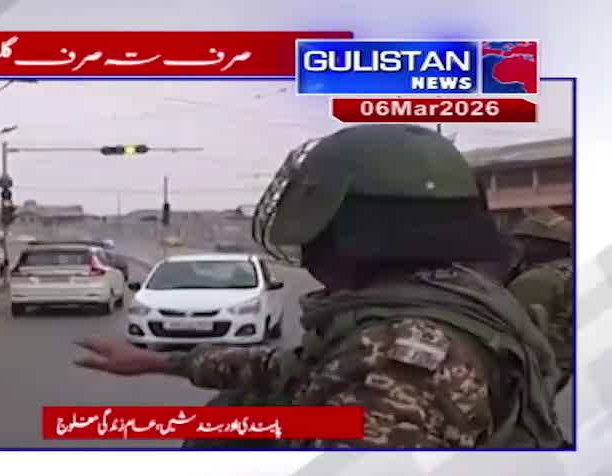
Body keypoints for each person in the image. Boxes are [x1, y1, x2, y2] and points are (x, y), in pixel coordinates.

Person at [75, 124, 564, 449]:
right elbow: (287, 369)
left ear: (352, 229)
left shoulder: (398, 357)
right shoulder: (447, 299)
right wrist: (160, 362)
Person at [506, 208, 574, 392]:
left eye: (523, 241)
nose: (518, 247)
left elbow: (516, 332)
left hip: (552, 371)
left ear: (539, 243)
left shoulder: (535, 280)